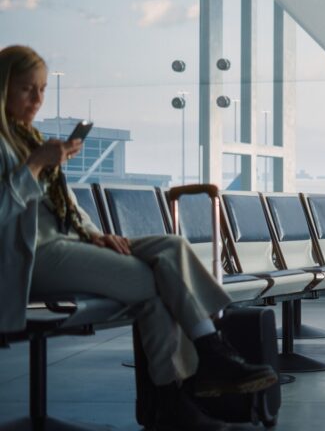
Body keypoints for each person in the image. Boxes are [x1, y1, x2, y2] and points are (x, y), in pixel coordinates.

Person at [0, 45, 277, 431]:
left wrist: (98, 235)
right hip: (34, 257)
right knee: (155, 284)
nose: (38, 99)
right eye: (27, 88)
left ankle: (181, 389)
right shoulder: (16, 146)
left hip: (68, 244)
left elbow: (66, 209)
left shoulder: (31, 138)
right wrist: (36, 164)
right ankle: (199, 370)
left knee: (171, 247)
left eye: (42, 89)